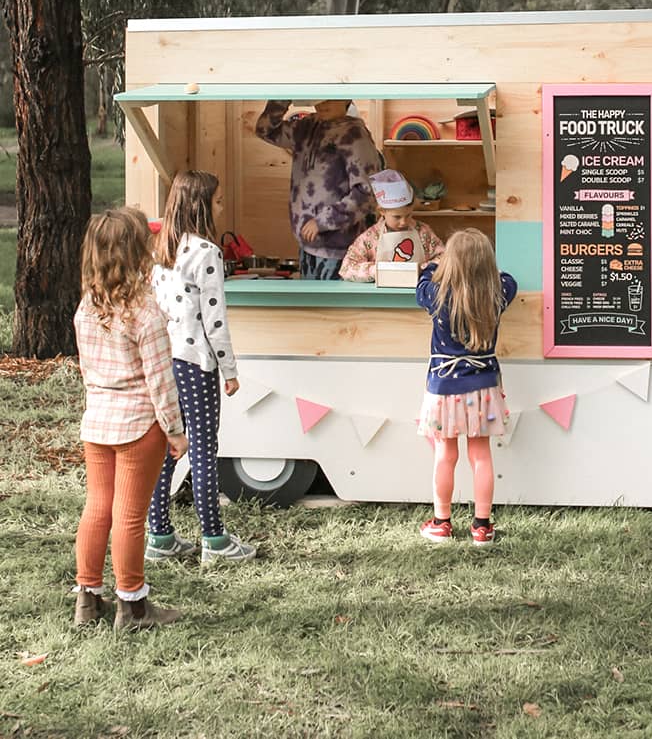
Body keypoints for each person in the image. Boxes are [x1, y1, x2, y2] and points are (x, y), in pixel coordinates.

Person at [73, 207, 189, 630]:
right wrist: (176, 432)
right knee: (128, 516)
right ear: (139, 252)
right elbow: (161, 383)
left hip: (98, 422)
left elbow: (88, 371)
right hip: (140, 426)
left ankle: (87, 601)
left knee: (97, 508)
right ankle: (134, 607)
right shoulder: (147, 314)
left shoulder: (86, 308)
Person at [147, 170, 256, 564]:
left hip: (165, 361)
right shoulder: (206, 252)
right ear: (201, 205)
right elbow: (215, 320)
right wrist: (229, 370)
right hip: (196, 365)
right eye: (218, 199)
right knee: (204, 450)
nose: (222, 205)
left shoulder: (162, 248)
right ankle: (214, 539)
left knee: (167, 448)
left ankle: (159, 536)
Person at [415, 229, 517, 545]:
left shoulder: (436, 294)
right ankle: (482, 527)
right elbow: (509, 279)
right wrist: (486, 272)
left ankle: (441, 523)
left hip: (444, 387)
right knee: (481, 455)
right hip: (483, 389)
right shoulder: (497, 293)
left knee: (445, 454)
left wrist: (435, 265)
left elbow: (421, 280)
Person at [256, 99, 382, 279]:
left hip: (339, 248)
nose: (322, 104)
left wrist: (323, 221)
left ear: (346, 99)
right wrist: (282, 98)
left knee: (332, 306)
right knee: (310, 306)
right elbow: (265, 130)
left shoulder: (355, 135)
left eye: (330, 99)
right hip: (307, 244)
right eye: (318, 98)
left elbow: (367, 193)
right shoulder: (307, 126)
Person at [339, 169, 445, 282]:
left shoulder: (424, 233)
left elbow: (445, 259)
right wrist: (378, 270)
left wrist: (422, 269)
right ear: (382, 211)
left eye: (408, 215)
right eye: (397, 217)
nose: (403, 222)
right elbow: (347, 268)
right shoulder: (370, 238)